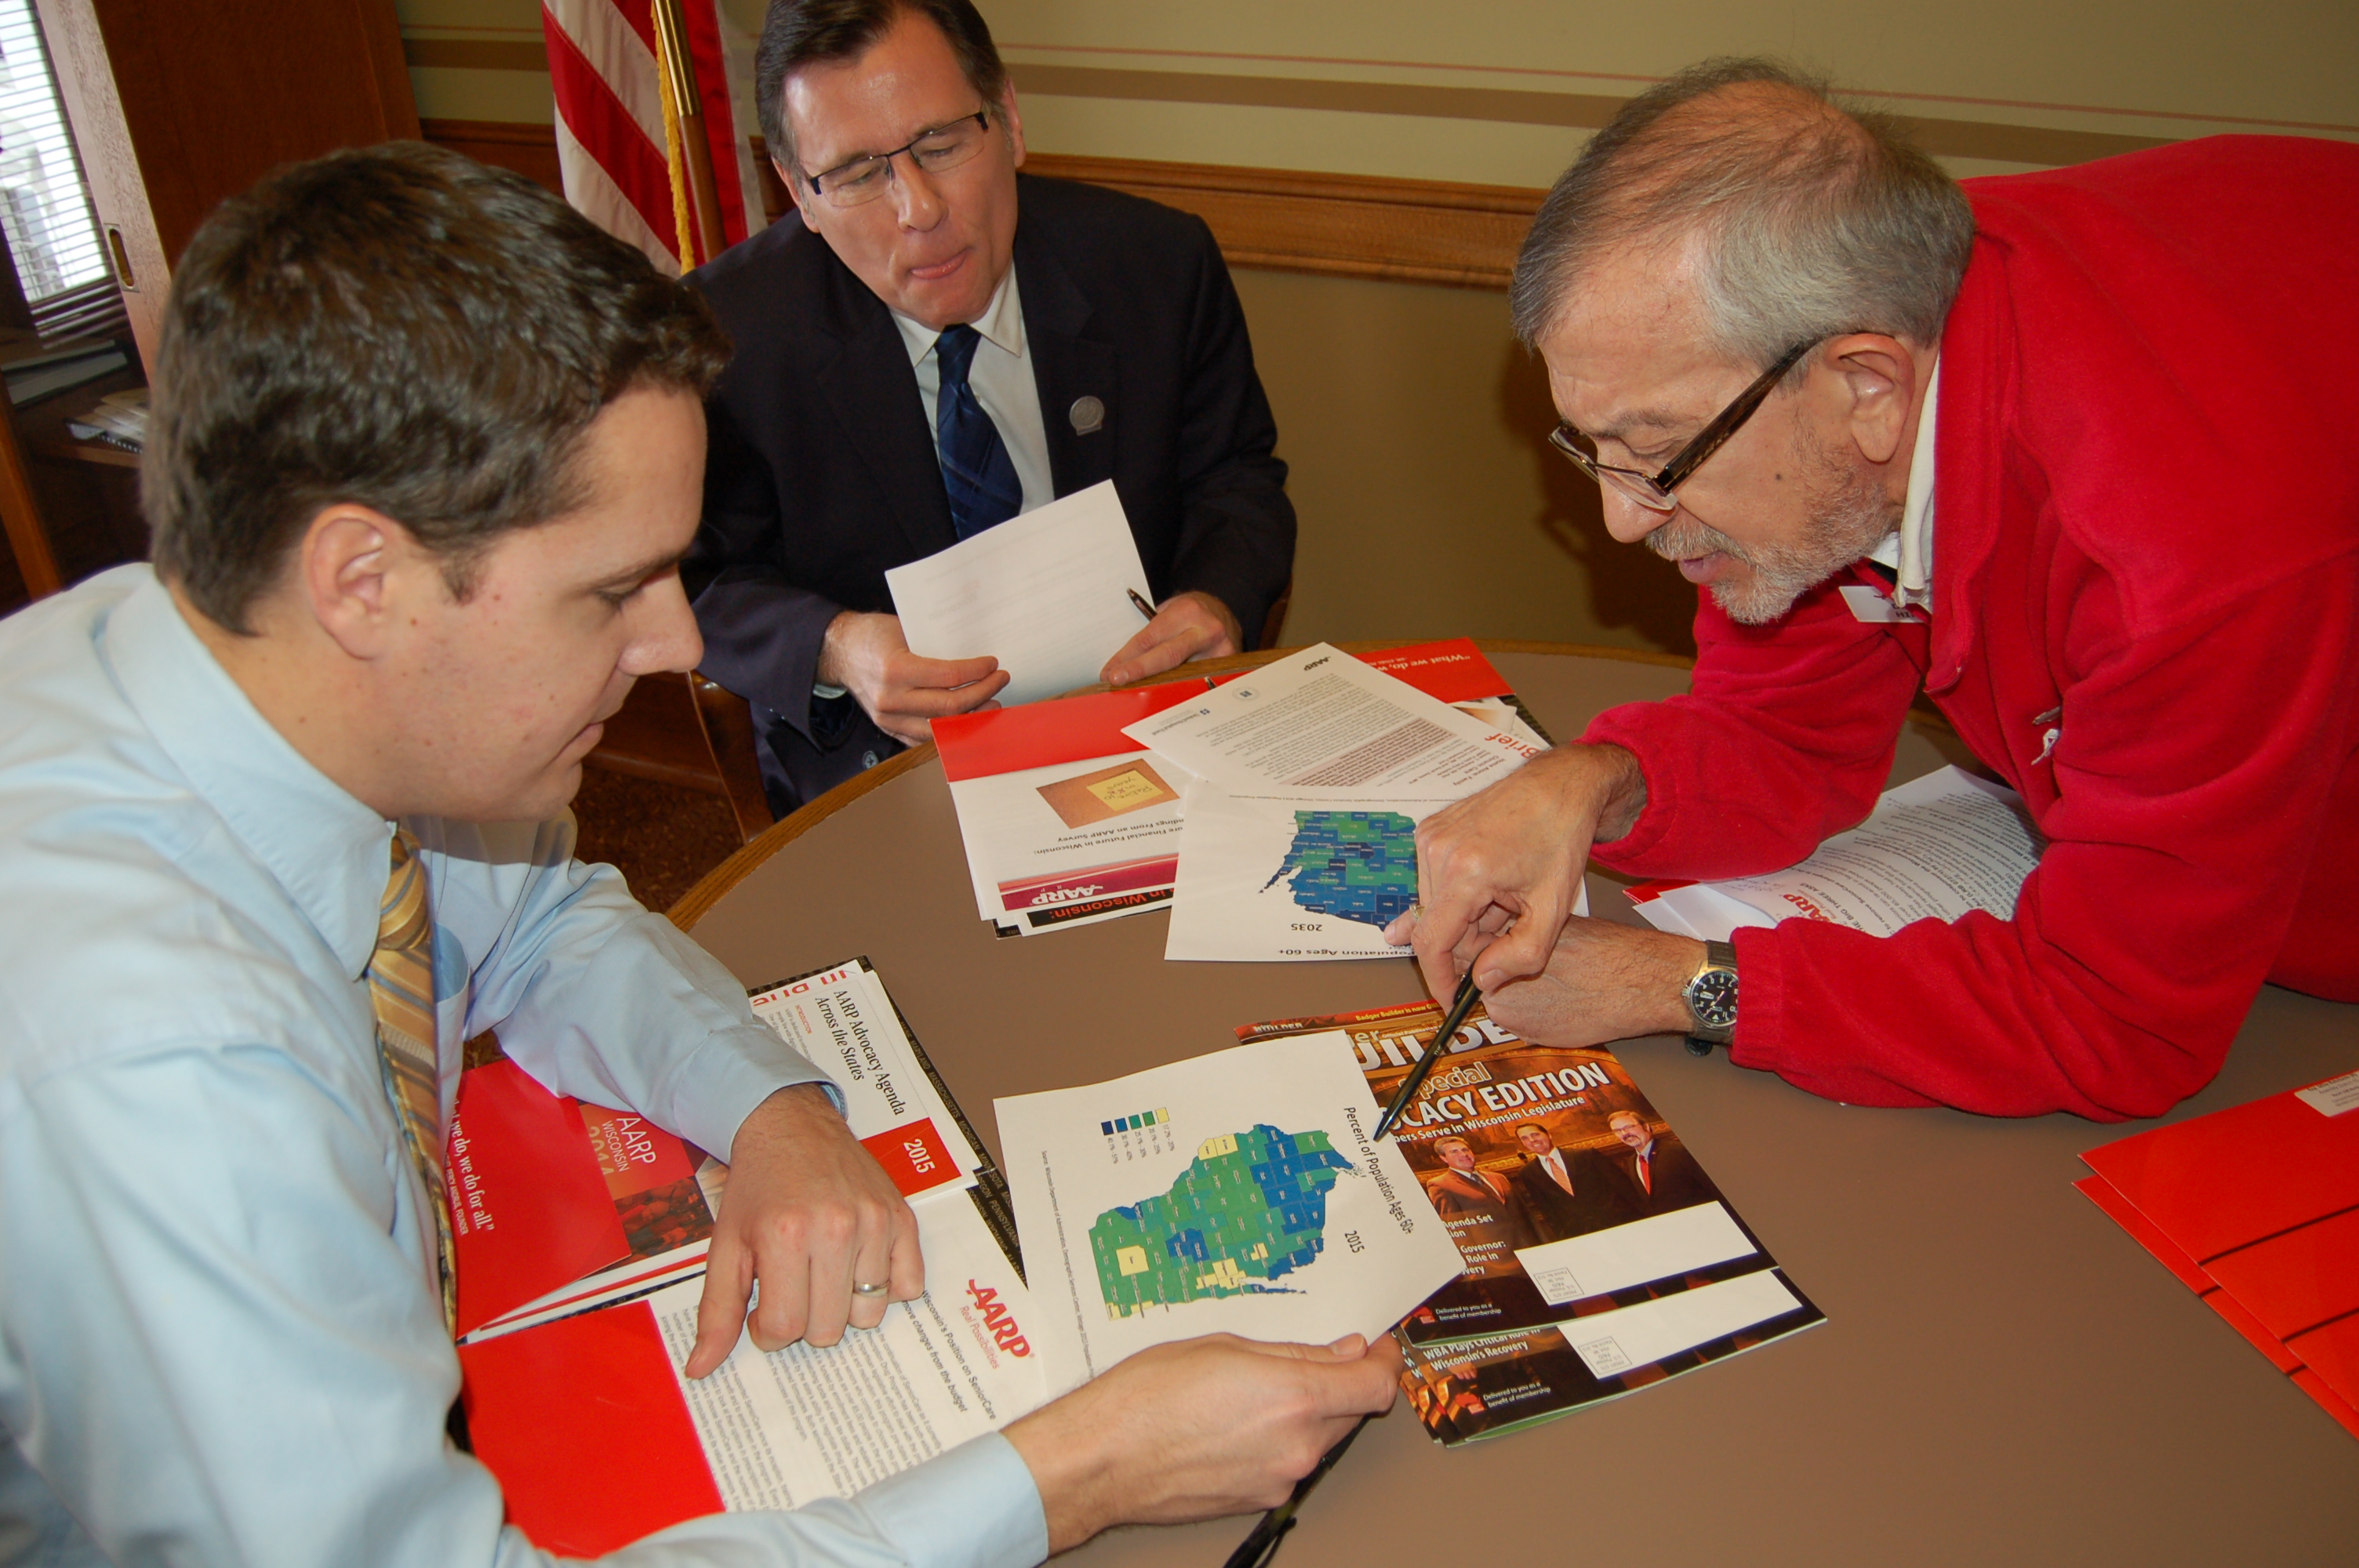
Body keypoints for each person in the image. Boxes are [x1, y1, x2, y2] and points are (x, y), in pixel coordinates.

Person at [0, 143, 1392, 1567]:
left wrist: (770, 1110)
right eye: (613, 590)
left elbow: (537, 926)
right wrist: (1074, 1472)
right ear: (364, 582)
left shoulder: (218, 656)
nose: (676, 647)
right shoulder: (157, 1062)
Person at [1390, 58, 2359, 1120]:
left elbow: (2110, 1018)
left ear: (1870, 390)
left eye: (1659, 454)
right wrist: (1590, 782)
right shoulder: (1848, 316)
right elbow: (1784, 739)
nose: (1623, 519)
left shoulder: (2182, 554)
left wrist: (1670, 984)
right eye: (1597, 450)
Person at [689, 0, 1296, 812]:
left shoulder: (1154, 265)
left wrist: (1214, 600)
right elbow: (693, 578)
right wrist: (838, 648)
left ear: (1006, 120)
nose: (919, 210)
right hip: (881, 764)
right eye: (858, 175)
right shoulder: (728, 335)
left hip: (1141, 722)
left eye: (938, 144)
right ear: (797, 191)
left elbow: (1236, 478)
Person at [1505, 1121, 1630, 1241]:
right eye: (1525, 1138)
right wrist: (1563, 1235)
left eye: (1535, 1134)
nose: (1532, 1140)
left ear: (1548, 1135)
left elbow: (1621, 1186)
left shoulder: (1586, 1155)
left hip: (1618, 1225)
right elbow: (1546, 1209)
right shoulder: (1528, 1172)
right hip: (1579, 1236)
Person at [1603, 1112, 1717, 1218]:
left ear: (1646, 1127)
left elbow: (1711, 1186)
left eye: (1629, 1127)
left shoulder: (1677, 1150)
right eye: (1618, 1131)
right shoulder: (1631, 1163)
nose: (1625, 1134)